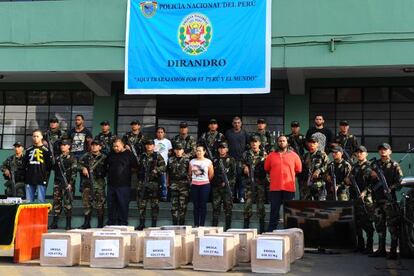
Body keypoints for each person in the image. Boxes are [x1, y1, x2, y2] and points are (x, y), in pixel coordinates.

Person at [369, 143, 402, 260]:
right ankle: (381, 249)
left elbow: (399, 183)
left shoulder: (394, 165)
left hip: (389, 201)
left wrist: (390, 188)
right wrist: (371, 175)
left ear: (390, 151)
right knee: (379, 225)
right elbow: (367, 181)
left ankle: (393, 251)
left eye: (385, 149)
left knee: (392, 226)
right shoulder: (374, 164)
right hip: (377, 200)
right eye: (381, 150)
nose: (383, 151)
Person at [265, 135, 302, 232]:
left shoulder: (294, 156)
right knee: (274, 211)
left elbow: (298, 169)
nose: (282, 142)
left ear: (287, 143)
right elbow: (266, 168)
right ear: (277, 143)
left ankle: (289, 232)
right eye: (280, 141)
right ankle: (271, 231)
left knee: (289, 212)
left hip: (289, 188)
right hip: (275, 188)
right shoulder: (271, 156)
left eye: (284, 141)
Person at [105, 138, 138, 226]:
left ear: (123, 145)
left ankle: (123, 223)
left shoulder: (129, 154)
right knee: (111, 205)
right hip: (111, 185)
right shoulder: (111, 154)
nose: (115, 148)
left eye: (117, 146)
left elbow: (136, 166)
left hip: (124, 185)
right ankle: (111, 223)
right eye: (114, 146)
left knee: (123, 205)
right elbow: (105, 165)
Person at [136, 139, 166, 230]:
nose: (149, 146)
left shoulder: (157, 156)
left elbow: (164, 167)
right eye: (147, 145)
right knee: (141, 205)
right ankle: (141, 224)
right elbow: (137, 167)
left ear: (153, 146)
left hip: (154, 184)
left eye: (151, 144)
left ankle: (153, 225)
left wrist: (156, 170)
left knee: (154, 205)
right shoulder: (142, 156)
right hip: (142, 183)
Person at [350, 145, 375, 254]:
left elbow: (373, 183)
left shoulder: (371, 166)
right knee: (356, 223)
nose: (359, 154)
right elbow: (349, 181)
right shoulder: (354, 167)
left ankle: (369, 246)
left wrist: (365, 192)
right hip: (355, 198)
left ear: (366, 154)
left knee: (368, 223)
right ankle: (360, 245)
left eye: (362, 152)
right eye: (358, 152)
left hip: (366, 199)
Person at [49, 139, 77, 230]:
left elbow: (74, 172)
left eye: (64, 145)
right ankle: (54, 223)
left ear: (69, 146)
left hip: (67, 183)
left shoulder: (72, 158)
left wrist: (70, 183)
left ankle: (68, 224)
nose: (62, 146)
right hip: (58, 183)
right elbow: (52, 167)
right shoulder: (57, 157)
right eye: (61, 145)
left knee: (67, 204)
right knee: (56, 203)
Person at [78, 140, 107, 229]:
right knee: (86, 204)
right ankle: (86, 223)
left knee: (100, 204)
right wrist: (83, 168)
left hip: (99, 185)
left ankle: (100, 224)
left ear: (100, 147)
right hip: (87, 184)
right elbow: (77, 164)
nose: (94, 147)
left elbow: (107, 169)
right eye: (93, 145)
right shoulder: (86, 156)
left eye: (96, 145)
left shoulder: (104, 157)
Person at [242, 136, 267, 233]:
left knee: (260, 206)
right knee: (247, 205)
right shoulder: (246, 154)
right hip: (249, 183)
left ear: (259, 143)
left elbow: (268, 166)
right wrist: (244, 166)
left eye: (256, 142)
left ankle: (262, 229)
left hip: (260, 183)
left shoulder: (264, 154)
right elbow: (241, 162)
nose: (254, 144)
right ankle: (246, 228)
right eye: (252, 142)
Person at [211, 142, 237, 230]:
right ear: (218, 149)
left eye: (224, 148)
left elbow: (234, 175)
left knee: (228, 209)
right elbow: (211, 173)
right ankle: (214, 228)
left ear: (227, 149)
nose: (222, 149)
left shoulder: (231, 159)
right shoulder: (214, 159)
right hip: (216, 188)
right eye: (220, 148)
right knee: (215, 208)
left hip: (227, 188)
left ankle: (228, 228)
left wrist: (227, 183)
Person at [225, 117, 250, 203]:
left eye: (238, 122)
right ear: (232, 123)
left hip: (241, 161)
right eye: (235, 123)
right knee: (232, 179)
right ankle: (233, 197)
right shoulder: (228, 133)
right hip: (231, 160)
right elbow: (225, 146)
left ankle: (241, 197)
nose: (237, 124)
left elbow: (248, 146)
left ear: (241, 123)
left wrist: (246, 162)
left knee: (241, 179)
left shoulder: (245, 133)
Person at [24, 130, 52, 203]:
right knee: (28, 201)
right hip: (29, 178)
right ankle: (29, 215)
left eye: (37, 136)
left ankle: (41, 215)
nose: (36, 138)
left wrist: (45, 174)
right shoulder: (28, 150)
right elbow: (24, 164)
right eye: (34, 136)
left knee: (41, 200)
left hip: (41, 178)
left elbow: (49, 165)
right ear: (32, 137)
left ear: (41, 137)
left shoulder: (46, 150)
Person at [189, 144, 214, 227]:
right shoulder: (192, 161)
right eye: (197, 150)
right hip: (194, 186)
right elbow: (189, 174)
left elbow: (211, 174)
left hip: (205, 186)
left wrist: (205, 181)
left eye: (200, 150)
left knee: (203, 205)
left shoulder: (208, 161)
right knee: (196, 205)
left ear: (204, 152)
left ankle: (202, 225)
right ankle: (196, 224)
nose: (198, 152)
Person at [67, 114, 93, 193]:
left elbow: (90, 146)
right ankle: (70, 199)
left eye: (78, 119)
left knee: (84, 179)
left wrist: (88, 153)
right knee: (71, 177)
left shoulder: (87, 132)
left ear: (82, 121)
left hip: (83, 157)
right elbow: (67, 144)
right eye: (76, 120)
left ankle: (84, 199)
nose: (77, 121)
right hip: (73, 156)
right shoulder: (71, 131)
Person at [167, 143, 191, 225]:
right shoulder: (170, 159)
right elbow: (168, 172)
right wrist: (167, 182)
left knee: (183, 205)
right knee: (174, 205)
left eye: (180, 149)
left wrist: (189, 182)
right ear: (174, 150)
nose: (178, 151)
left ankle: (181, 223)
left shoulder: (187, 160)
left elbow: (190, 172)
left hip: (184, 184)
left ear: (183, 150)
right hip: (173, 184)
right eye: (177, 149)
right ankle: (174, 223)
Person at [122, 120, 146, 196]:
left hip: (140, 159)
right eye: (132, 124)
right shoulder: (126, 135)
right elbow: (121, 144)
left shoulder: (143, 136)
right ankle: (128, 195)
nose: (134, 126)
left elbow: (147, 147)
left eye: (135, 124)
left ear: (139, 126)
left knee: (141, 178)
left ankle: (140, 195)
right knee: (128, 177)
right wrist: (125, 146)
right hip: (129, 160)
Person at [154, 127, 172, 201]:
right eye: (158, 132)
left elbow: (170, 151)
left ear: (164, 133)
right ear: (156, 133)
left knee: (164, 182)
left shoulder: (167, 142)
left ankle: (164, 197)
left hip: (164, 164)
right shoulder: (154, 141)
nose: (160, 133)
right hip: (155, 164)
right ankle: (155, 196)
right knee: (155, 181)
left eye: (161, 132)